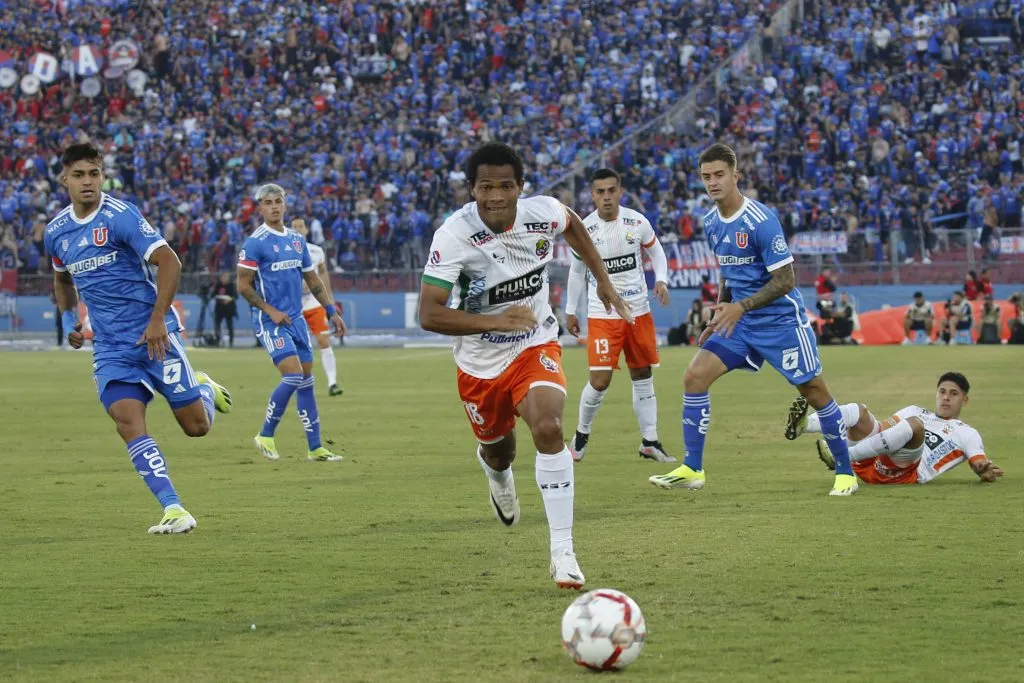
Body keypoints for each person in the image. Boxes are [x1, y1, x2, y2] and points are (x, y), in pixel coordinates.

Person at [418, 142, 632, 589]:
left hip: (535, 343)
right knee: (501, 451)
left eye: (505, 186)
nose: (496, 196)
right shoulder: (454, 235)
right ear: (472, 189)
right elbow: (429, 314)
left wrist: (604, 280)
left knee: (549, 427)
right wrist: (492, 320)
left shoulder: (542, 212)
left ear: (521, 187)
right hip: (479, 363)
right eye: (485, 187)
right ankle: (496, 472)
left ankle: (563, 552)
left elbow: (572, 224)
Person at [648, 143, 858, 496]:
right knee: (694, 376)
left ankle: (846, 473)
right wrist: (718, 314)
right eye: (706, 177)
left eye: (719, 175)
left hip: (780, 323)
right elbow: (728, 273)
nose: (713, 183)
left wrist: (740, 307)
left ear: (735, 176)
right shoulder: (712, 222)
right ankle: (692, 468)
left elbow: (787, 279)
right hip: (739, 324)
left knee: (815, 392)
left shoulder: (761, 220)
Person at [45, 143, 232, 535]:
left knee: (196, 428)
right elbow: (62, 280)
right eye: (79, 175)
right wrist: (69, 321)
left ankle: (201, 386)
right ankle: (174, 509)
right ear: (64, 180)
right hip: (111, 348)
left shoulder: (120, 217)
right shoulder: (57, 232)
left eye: (94, 174)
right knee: (128, 422)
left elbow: (169, 261)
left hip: (154, 337)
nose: (88, 182)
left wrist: (158, 319)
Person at [564, 168, 673, 464]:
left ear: (620, 191)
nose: (607, 197)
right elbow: (576, 272)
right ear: (592, 195)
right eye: (600, 192)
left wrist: (661, 280)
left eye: (612, 190)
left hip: (638, 312)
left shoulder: (636, 222)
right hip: (603, 315)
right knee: (600, 381)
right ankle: (580, 436)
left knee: (642, 374)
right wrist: (571, 310)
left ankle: (650, 441)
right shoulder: (584, 229)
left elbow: (657, 254)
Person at [237, 184, 345, 463]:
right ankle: (266, 434)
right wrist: (269, 309)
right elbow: (243, 286)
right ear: (260, 208)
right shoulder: (255, 242)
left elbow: (313, 280)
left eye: (278, 202)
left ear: (285, 205)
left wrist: (331, 311)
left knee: (307, 382)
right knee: (294, 375)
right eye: (268, 203)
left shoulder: (297, 241)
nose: (274, 207)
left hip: (296, 320)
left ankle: (315, 447)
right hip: (270, 322)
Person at [786, 372, 1002, 485]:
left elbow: (979, 462)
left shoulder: (966, 432)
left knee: (915, 426)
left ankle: (841, 455)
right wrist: (864, 425)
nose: (945, 397)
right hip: (870, 463)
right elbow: (882, 428)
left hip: (903, 474)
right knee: (859, 410)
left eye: (953, 394)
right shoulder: (915, 409)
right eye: (942, 391)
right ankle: (805, 425)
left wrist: (984, 470)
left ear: (965, 400)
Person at [292, 218, 345, 396]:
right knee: (297, 345)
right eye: (294, 227)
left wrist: (329, 301)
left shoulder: (316, 251)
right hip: (293, 304)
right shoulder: (285, 252)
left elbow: (323, 274)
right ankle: (299, 383)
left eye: (301, 226)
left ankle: (332, 383)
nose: (298, 229)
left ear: (306, 230)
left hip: (314, 302)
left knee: (323, 341)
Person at [212, 272, 237, 348]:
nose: (224, 279)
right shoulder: (218, 285)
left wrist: (229, 300)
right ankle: (217, 341)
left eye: (226, 277)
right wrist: (217, 297)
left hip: (229, 309)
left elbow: (235, 296)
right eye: (223, 277)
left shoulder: (231, 285)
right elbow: (213, 295)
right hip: (219, 309)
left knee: (230, 326)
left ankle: (231, 342)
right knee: (217, 325)